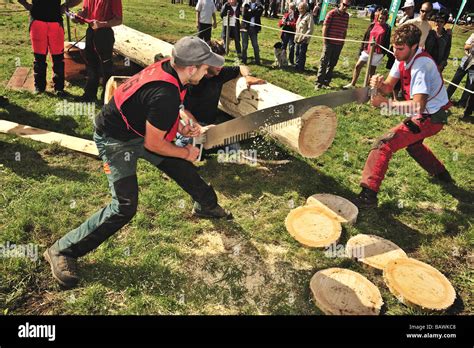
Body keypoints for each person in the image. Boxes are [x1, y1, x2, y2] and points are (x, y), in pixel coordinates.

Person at [43, 37, 231, 288]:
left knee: (180, 167)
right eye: (206, 66)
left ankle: (206, 205)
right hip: (116, 140)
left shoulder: (172, 69)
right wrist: (186, 152)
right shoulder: (164, 93)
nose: (209, 71)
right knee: (125, 205)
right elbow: (155, 143)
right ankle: (63, 250)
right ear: (191, 68)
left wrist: (185, 121)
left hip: (139, 131)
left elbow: (171, 106)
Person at [357, 24, 453, 207]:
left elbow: (417, 106)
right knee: (413, 144)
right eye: (394, 47)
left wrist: (385, 104)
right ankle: (442, 175)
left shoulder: (421, 66)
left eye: (400, 49)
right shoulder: (401, 57)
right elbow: (387, 88)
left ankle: (368, 195)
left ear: (415, 46)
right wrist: (377, 84)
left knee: (384, 143)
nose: (395, 52)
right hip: (426, 113)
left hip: (432, 117)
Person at [17, 0, 82, 96]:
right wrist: (26, 5)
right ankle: (39, 87)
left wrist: (65, 5)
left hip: (55, 22)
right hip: (37, 21)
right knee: (39, 57)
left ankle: (59, 88)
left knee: (58, 58)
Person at [73, 0, 123, 102]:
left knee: (106, 66)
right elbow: (85, 12)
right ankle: (89, 94)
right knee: (91, 63)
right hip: (91, 32)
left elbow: (119, 20)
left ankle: (107, 97)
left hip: (104, 34)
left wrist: (102, 24)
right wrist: (78, 17)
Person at [344, 9, 391, 89]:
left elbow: (387, 40)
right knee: (358, 66)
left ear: (386, 19)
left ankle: (367, 87)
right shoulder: (372, 25)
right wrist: (362, 48)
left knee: (371, 71)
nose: (381, 20)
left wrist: (384, 53)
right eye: (380, 18)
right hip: (367, 50)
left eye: (383, 18)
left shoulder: (387, 28)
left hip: (378, 52)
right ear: (377, 17)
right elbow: (366, 36)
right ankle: (353, 83)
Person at [315, 0, 350, 89]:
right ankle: (318, 83)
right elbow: (325, 27)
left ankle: (326, 82)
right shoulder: (332, 13)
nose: (345, 7)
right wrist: (325, 41)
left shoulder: (346, 16)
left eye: (347, 6)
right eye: (344, 4)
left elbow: (345, 29)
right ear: (340, 3)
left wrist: (343, 41)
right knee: (324, 63)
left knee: (332, 64)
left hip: (339, 44)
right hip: (329, 43)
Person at [446, 33, 474, 109]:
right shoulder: (473, 35)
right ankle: (446, 97)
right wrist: (472, 45)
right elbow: (466, 46)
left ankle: (462, 103)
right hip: (466, 61)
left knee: (469, 85)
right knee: (455, 80)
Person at [241, 0, 264, 65]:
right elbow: (244, 15)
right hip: (245, 27)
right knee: (244, 45)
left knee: (255, 45)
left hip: (254, 28)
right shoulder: (245, 4)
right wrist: (254, 12)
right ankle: (244, 60)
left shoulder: (259, 5)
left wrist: (250, 11)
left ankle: (257, 61)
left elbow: (258, 14)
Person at [294, 2, 314, 72]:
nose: (300, 9)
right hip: (297, 38)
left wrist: (305, 37)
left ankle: (301, 68)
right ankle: (296, 66)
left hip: (304, 40)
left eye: (301, 8)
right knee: (297, 53)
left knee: (302, 54)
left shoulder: (309, 16)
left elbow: (310, 29)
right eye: (299, 8)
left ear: (305, 8)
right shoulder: (300, 16)